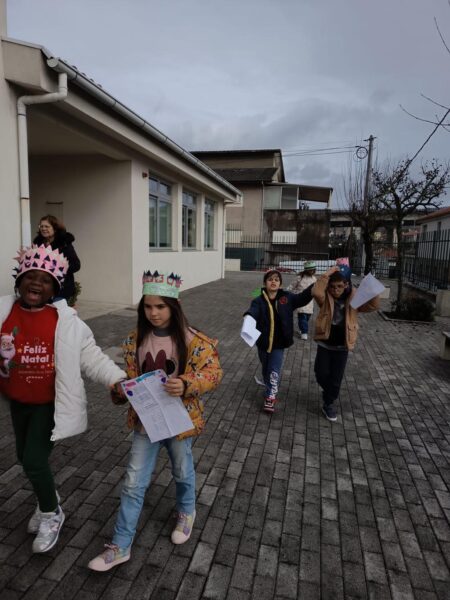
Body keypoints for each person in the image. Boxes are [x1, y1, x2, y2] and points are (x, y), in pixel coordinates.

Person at [88, 270, 223, 572]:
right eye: (148, 306)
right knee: (133, 482)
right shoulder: (134, 340)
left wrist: (187, 383)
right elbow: (130, 379)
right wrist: (120, 390)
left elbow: (213, 373)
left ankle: (186, 511)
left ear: (174, 306)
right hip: (145, 423)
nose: (154, 313)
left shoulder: (194, 340)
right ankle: (121, 545)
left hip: (179, 422)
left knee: (182, 471)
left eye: (160, 306)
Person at [0, 245, 127, 553]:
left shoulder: (66, 322)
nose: (36, 283)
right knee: (25, 458)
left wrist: (117, 379)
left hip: (49, 406)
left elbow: (92, 357)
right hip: (17, 402)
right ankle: (49, 497)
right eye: (30, 276)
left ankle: (51, 512)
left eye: (45, 280)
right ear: (19, 281)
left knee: (34, 460)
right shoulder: (3, 312)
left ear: (55, 288)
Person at [312, 264, 380, 422]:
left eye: (339, 286)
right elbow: (316, 292)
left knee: (336, 379)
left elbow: (373, 306)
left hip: (342, 345)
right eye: (332, 286)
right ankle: (328, 392)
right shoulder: (326, 297)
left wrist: (373, 288)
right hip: (325, 343)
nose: (335, 290)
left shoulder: (355, 298)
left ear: (346, 285)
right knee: (321, 373)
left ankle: (329, 403)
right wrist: (327, 274)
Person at [244, 269, 314, 414]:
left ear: (280, 284)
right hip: (263, 342)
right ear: (265, 283)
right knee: (266, 368)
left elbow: (302, 298)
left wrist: (316, 285)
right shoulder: (258, 300)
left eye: (276, 279)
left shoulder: (287, 298)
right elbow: (253, 311)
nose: (273, 281)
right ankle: (268, 385)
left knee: (274, 370)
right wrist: (249, 317)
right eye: (270, 279)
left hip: (279, 343)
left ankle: (270, 397)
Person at [33, 215, 80, 303]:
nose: (43, 229)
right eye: (41, 226)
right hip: (42, 287)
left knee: (57, 309)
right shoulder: (38, 243)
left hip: (61, 288)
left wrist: (58, 268)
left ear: (55, 229)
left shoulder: (64, 243)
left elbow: (76, 265)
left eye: (47, 226)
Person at [288, 260, 317, 340]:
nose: (311, 271)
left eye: (313, 270)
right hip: (300, 299)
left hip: (310, 301)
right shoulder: (300, 277)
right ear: (306, 270)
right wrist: (286, 293)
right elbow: (292, 286)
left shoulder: (314, 279)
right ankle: (304, 332)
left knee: (307, 316)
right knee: (302, 316)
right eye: (310, 270)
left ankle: (302, 328)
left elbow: (316, 289)